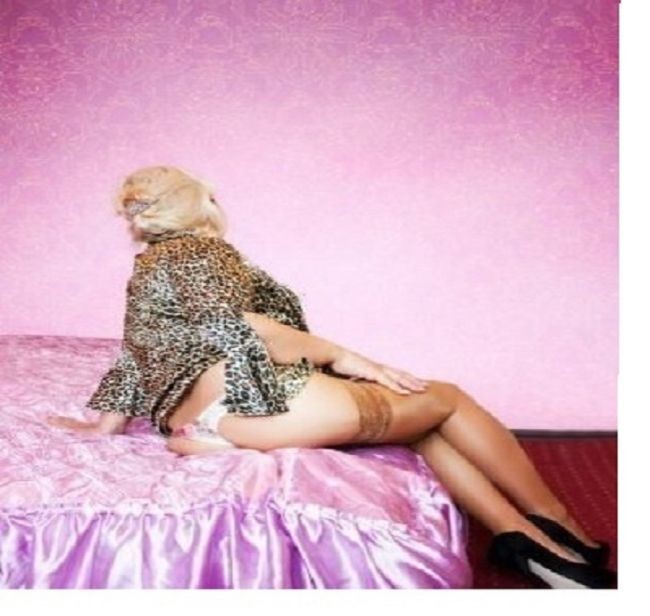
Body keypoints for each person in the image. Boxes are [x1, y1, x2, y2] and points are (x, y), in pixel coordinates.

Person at [47, 165, 616, 589]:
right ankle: (557, 523)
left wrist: (106, 426)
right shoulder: (204, 252)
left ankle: (521, 540)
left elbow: (137, 353)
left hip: (204, 419)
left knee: (419, 426)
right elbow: (239, 325)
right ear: (202, 207)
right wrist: (346, 357)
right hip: (261, 402)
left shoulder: (148, 268)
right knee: (446, 398)